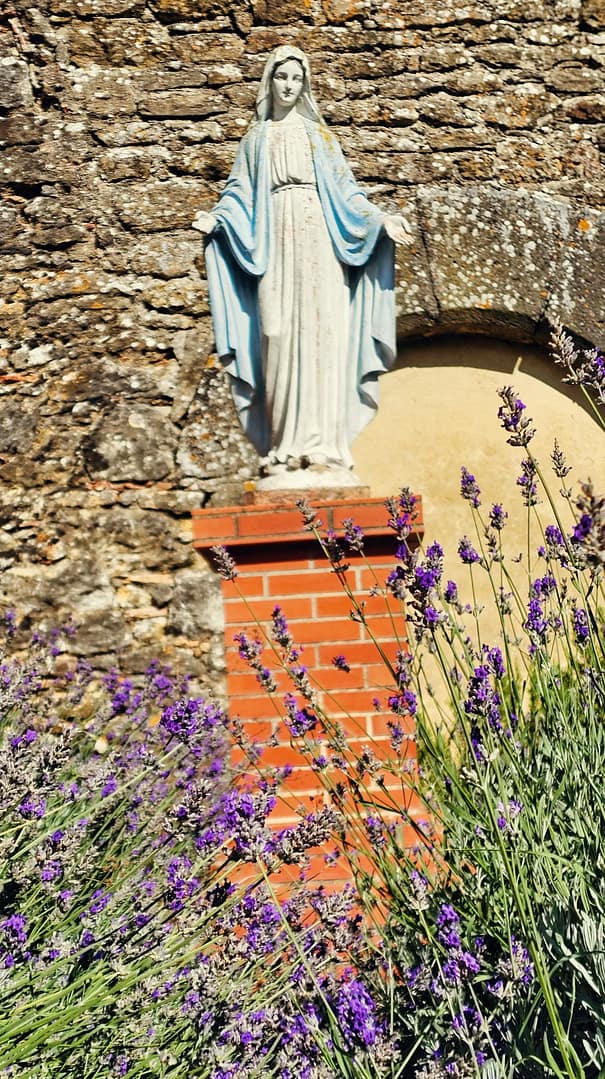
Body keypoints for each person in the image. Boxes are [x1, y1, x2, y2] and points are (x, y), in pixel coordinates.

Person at [193, 45, 410, 485]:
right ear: (269, 81)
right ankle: (284, 445)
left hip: (320, 242)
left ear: (304, 84)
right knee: (274, 331)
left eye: (296, 78)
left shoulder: (318, 137)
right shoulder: (256, 139)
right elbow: (238, 194)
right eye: (281, 77)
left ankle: (324, 447)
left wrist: (380, 221)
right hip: (273, 240)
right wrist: (217, 219)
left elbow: (347, 195)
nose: (289, 86)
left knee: (321, 333)